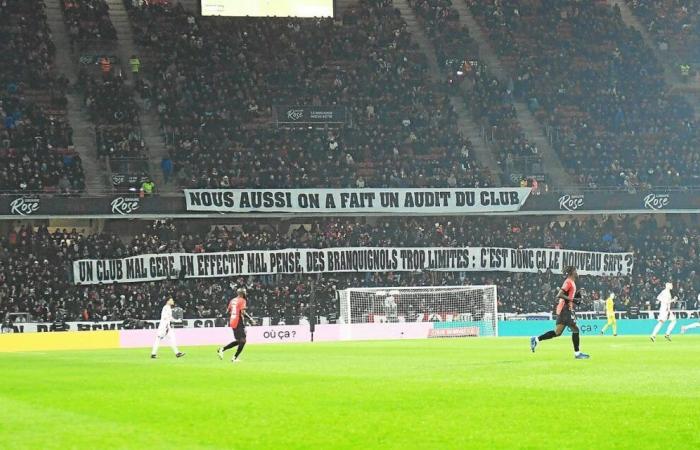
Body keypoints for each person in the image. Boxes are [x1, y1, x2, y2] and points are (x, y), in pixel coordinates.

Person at [530, 266, 590, 359]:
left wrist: (576, 296)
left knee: (557, 332)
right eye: (576, 271)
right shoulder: (568, 282)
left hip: (565, 309)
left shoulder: (572, 282)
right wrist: (573, 299)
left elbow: (568, 295)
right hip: (565, 309)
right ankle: (577, 354)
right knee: (575, 329)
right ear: (572, 272)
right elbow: (560, 294)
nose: (577, 272)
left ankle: (536, 339)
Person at [217, 288, 255, 363]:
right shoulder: (242, 300)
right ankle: (234, 358)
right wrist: (250, 319)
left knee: (239, 341)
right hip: (238, 321)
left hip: (232, 321)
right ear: (242, 293)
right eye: (244, 293)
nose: (245, 294)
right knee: (243, 341)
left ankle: (222, 349)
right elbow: (243, 312)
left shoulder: (232, 300)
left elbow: (228, 311)